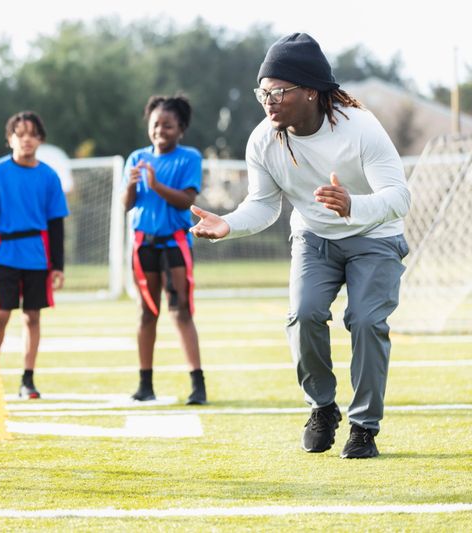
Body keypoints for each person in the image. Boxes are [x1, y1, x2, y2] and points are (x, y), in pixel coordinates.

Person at [190, 33, 411, 458]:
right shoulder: (263, 141)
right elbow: (263, 206)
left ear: (311, 91)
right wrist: (229, 224)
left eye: (277, 91)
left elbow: (400, 198)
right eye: (263, 92)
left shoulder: (359, 128)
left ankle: (363, 427)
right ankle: (322, 407)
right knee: (303, 314)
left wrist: (353, 204)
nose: (268, 100)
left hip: (375, 237)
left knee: (365, 322)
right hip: (314, 236)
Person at [0, 111, 68, 399]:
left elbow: (56, 223)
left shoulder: (49, 176)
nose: (26, 139)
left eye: (32, 134)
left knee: (32, 317)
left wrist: (57, 266)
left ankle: (28, 379)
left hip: (37, 255)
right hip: (4, 256)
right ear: (9, 139)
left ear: (40, 139)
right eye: (19, 134)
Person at [122, 94, 206, 406]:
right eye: (156, 124)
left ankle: (197, 383)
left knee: (181, 310)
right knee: (147, 312)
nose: (160, 130)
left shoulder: (190, 157)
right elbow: (126, 205)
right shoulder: (136, 159)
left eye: (168, 125)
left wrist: (156, 186)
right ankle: (145, 383)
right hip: (144, 244)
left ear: (180, 129)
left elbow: (187, 200)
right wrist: (132, 185)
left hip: (175, 242)